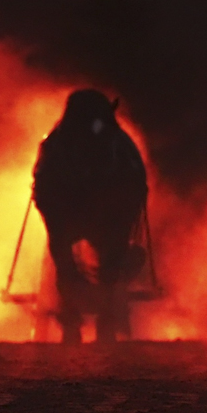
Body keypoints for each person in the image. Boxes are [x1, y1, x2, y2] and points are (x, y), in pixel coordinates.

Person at [32, 89, 149, 343]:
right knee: (77, 262)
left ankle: (83, 321)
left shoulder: (59, 143)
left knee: (75, 261)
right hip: (81, 207)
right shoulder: (62, 146)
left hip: (86, 208)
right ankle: (91, 321)